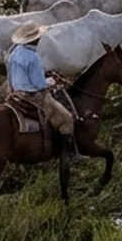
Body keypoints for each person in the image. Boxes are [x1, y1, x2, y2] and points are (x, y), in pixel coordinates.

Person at [8, 24, 75, 156]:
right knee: (67, 117)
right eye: (38, 37)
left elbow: (11, 76)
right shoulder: (33, 57)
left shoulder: (14, 52)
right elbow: (39, 85)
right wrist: (53, 80)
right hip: (34, 96)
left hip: (16, 94)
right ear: (33, 39)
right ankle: (70, 154)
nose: (39, 39)